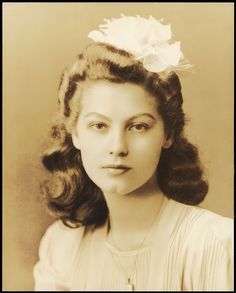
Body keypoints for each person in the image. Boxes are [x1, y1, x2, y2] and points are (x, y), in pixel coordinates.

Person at [33, 15, 233, 291]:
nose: (118, 146)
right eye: (99, 125)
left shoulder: (213, 244)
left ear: (168, 135)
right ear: (75, 133)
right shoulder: (63, 247)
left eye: (138, 126)